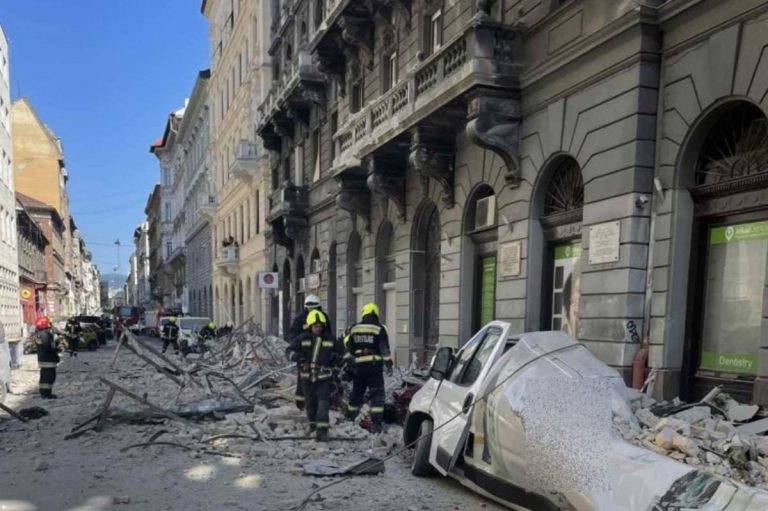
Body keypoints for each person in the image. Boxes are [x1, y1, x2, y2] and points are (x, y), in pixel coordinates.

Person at [288, 310, 343, 442]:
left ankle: (322, 432)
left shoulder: (330, 340)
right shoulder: (302, 338)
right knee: (311, 405)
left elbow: (343, 354)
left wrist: (336, 368)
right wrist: (300, 359)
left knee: (323, 405)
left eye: (320, 326)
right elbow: (289, 351)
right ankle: (313, 425)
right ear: (310, 326)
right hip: (307, 378)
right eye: (315, 326)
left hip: (323, 378)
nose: (318, 329)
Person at [343, 303, 393, 433]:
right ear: (376, 314)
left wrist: (350, 366)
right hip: (374, 368)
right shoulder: (379, 328)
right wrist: (389, 364)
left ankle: (349, 418)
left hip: (359, 369)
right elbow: (384, 349)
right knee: (377, 396)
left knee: (357, 394)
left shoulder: (354, 328)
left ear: (364, 313)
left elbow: (348, 350)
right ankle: (376, 425)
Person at [288, 294, 333, 411]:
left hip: (320, 351)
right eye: (309, 307)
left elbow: (328, 334)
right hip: (305, 352)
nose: (311, 310)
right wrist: (299, 351)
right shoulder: (299, 319)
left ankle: (319, 402)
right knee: (303, 377)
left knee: (322, 378)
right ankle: (301, 403)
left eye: (314, 307)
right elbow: (293, 337)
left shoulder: (323, 318)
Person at [35, 317, 59, 399]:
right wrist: (55, 354)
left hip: (43, 360)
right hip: (48, 360)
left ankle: (43, 392)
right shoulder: (45, 334)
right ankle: (47, 394)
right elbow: (48, 348)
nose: (50, 325)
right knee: (50, 377)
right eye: (48, 323)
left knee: (44, 376)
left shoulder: (40, 333)